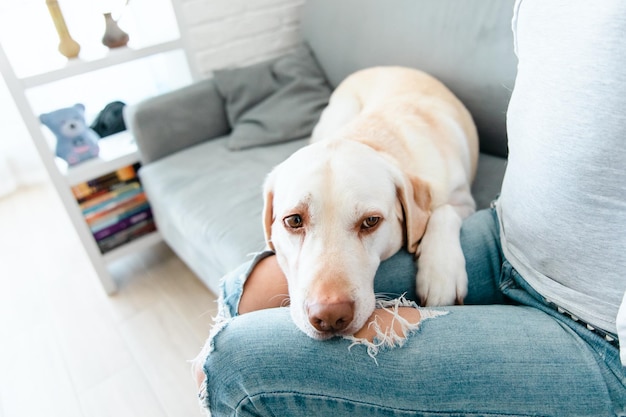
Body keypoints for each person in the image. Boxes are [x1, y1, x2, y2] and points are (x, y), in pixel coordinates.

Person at [193, 1, 626, 415]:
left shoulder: (417, 188)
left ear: (407, 213)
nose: (325, 304)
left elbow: (441, 201)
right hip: (509, 238)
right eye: (293, 222)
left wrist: (441, 221)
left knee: (230, 365)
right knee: (244, 290)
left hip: (599, 321)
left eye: (367, 223)